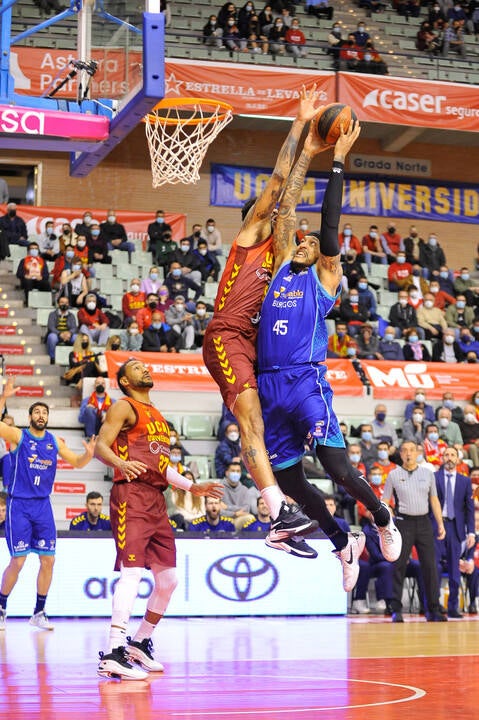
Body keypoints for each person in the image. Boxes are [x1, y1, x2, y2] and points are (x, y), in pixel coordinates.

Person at [256, 117, 402, 587]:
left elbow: (330, 225)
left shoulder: (324, 280)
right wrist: (306, 144)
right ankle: (343, 544)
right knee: (292, 483)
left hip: (304, 379)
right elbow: (285, 212)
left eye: (314, 243)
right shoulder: (282, 266)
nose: (307, 242)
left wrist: (337, 160)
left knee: (336, 468)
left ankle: (381, 517)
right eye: (304, 239)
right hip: (269, 383)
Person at [202, 86, 321, 557]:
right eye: (268, 210)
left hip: (251, 346)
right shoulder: (250, 235)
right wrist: (301, 126)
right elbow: (278, 184)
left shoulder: (280, 256)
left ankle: (280, 520)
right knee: (249, 419)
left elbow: (290, 201)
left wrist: (312, 154)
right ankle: (277, 512)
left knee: (264, 428)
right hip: (226, 334)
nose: (274, 211)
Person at [95, 359, 224, 680]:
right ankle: (113, 651)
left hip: (155, 500)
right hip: (131, 495)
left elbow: (160, 467)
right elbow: (100, 446)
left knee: (168, 580)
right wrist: (121, 463)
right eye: (136, 368)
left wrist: (193, 486)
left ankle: (140, 641)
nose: (145, 370)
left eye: (144, 366)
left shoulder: (158, 416)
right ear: (125, 381)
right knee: (133, 573)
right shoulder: (123, 406)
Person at [0, 377, 96, 631]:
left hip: (42, 506)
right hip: (19, 505)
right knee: (18, 561)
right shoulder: (19, 436)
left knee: (48, 560)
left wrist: (88, 454)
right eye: (37, 412)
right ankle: (1, 607)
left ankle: (39, 612)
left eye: (45, 412)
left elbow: (77, 463)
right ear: (30, 416)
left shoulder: (55, 442)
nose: (41, 415)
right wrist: (4, 397)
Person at [382, 440, 447, 622]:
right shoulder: (394, 475)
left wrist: (440, 523)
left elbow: (434, 499)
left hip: (425, 522)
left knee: (430, 566)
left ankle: (433, 608)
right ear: (400, 454)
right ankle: (396, 609)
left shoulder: (428, 473)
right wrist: (387, 519)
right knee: (398, 565)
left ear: (418, 452)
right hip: (403, 522)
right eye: (404, 450)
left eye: (411, 450)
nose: (408, 453)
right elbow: (385, 501)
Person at [434, 446, 475, 618]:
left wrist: (471, 532)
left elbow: (469, 509)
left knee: (454, 569)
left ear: (458, 459)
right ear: (442, 458)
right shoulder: (433, 477)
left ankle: (453, 607)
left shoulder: (465, 481)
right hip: (436, 525)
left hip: (455, 528)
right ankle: (432, 605)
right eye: (446, 455)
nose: (449, 458)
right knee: (434, 567)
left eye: (452, 455)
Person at [16, 240, 51, 305]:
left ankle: (46, 303)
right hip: (28, 280)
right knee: (27, 282)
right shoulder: (23, 261)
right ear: (28, 251)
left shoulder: (42, 261)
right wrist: (25, 275)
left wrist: (41, 277)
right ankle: (29, 302)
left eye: (36, 249)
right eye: (32, 249)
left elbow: (46, 274)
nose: (34, 250)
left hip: (39, 280)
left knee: (46, 283)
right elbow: (19, 273)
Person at [45, 297, 78, 364]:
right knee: (52, 337)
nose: (64, 304)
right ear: (58, 304)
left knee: (76, 337)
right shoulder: (52, 314)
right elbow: (51, 327)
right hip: (57, 335)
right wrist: (60, 334)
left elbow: (74, 328)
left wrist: (69, 333)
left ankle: (76, 358)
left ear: (68, 304)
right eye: (62, 302)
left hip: (68, 335)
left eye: (66, 303)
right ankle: (52, 358)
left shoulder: (71, 315)